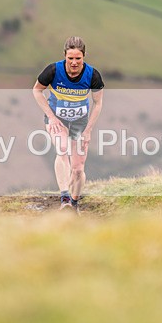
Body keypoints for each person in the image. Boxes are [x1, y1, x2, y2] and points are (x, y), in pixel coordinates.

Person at [32, 36, 104, 211]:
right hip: (57, 120)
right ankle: (64, 198)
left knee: (78, 169)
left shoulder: (92, 75)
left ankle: (74, 202)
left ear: (84, 57)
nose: (73, 62)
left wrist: (88, 130)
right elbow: (36, 91)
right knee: (62, 149)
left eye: (78, 58)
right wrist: (52, 116)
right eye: (70, 58)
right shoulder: (53, 71)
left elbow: (98, 103)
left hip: (80, 123)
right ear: (64, 56)